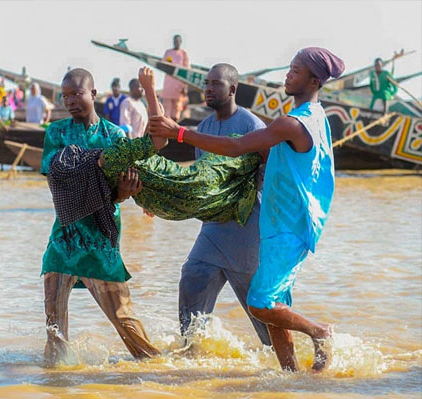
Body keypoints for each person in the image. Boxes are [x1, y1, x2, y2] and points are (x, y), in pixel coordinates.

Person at [149, 47, 345, 373]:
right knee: (274, 301)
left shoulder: (291, 124)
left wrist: (179, 132)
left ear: (314, 80)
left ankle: (319, 332)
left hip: (282, 224)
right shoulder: (315, 116)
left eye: (295, 71)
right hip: (284, 220)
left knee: (260, 303)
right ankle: (291, 374)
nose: (287, 75)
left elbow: (238, 147)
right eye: (290, 68)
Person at [40, 68, 162, 366]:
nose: (70, 101)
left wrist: (124, 192)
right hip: (65, 236)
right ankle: (56, 380)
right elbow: (57, 179)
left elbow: (118, 190)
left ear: (93, 94)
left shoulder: (113, 136)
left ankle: (160, 369)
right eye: (65, 96)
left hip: (100, 237)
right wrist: (99, 170)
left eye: (77, 94)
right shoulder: (56, 133)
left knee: (124, 319)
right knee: (54, 328)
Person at [172, 63, 272, 347]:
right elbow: (202, 176)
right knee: (193, 276)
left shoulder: (250, 125)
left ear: (232, 89)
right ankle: (192, 352)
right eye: (206, 83)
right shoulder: (204, 127)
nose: (208, 89)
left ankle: (283, 364)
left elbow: (268, 171)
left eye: (215, 83)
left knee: (260, 306)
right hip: (214, 226)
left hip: (246, 225)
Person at [161, 34, 190, 121]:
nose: (176, 43)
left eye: (178, 41)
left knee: (176, 111)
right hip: (168, 84)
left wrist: (185, 86)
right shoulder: (168, 52)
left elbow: (187, 71)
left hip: (179, 85)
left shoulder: (183, 54)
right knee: (167, 111)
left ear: (180, 42)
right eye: (175, 41)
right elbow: (163, 64)